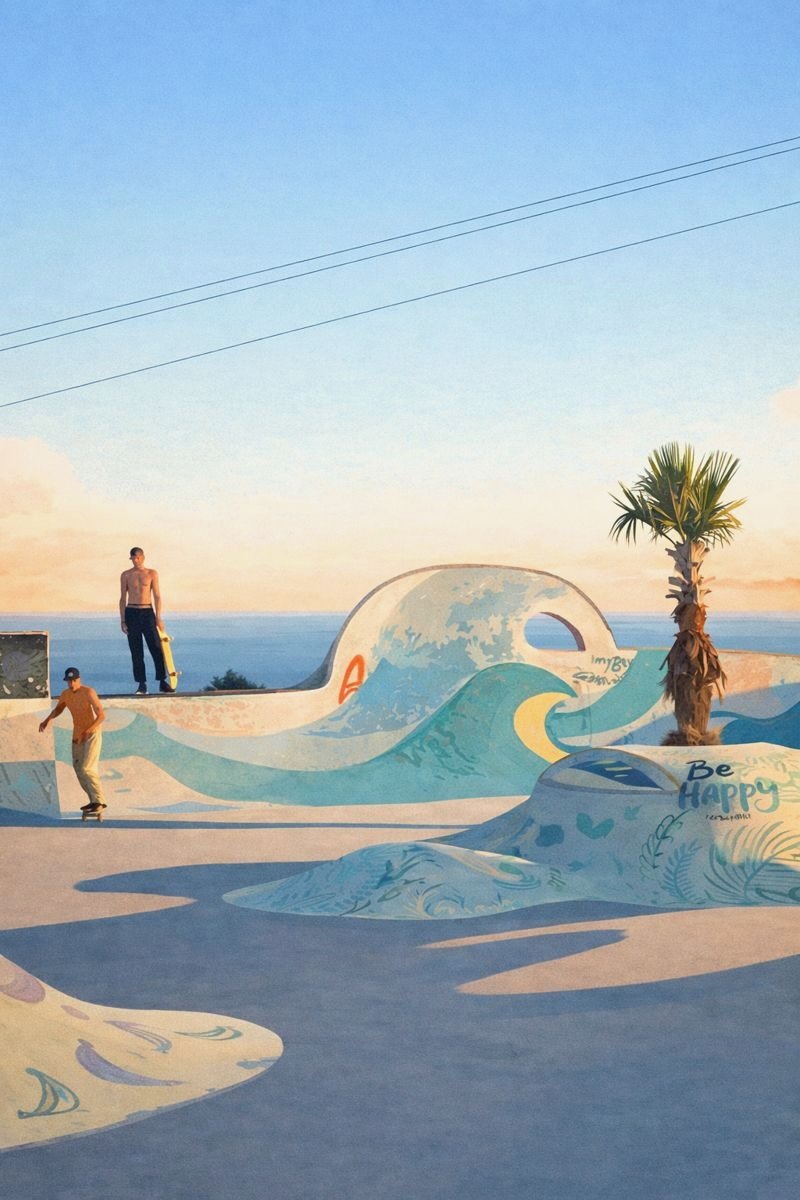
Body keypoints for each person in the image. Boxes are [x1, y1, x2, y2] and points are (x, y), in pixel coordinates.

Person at [39, 667, 107, 814]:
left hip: (92, 734)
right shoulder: (66, 694)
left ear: (79, 679)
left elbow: (101, 715)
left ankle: (100, 801)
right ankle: (93, 801)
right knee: (78, 770)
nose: (71, 684)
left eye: (74, 681)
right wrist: (47, 720)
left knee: (87, 768)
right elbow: (58, 709)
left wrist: (88, 731)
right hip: (77, 735)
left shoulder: (88, 692)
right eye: (69, 681)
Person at [120, 546, 173, 694]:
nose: (135, 561)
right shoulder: (126, 575)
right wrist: (123, 620)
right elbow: (123, 598)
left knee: (156, 648)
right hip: (132, 612)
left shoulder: (151, 573)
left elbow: (157, 596)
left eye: (137, 558)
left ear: (142, 557)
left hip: (147, 611)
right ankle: (141, 684)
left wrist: (158, 617)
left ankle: (162, 681)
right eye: (132, 558)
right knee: (136, 651)